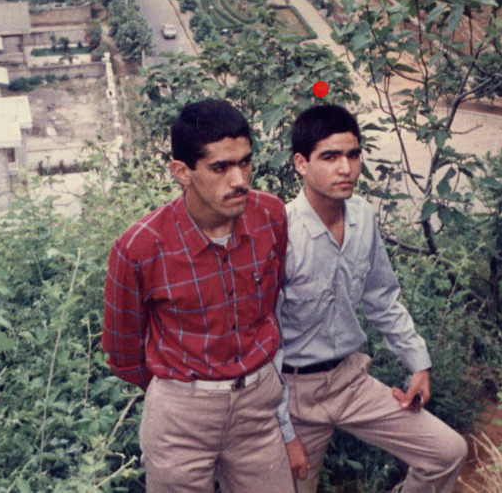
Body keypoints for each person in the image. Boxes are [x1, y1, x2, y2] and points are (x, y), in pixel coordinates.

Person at [103, 99, 294, 493]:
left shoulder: (270, 215)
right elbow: (123, 352)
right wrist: (182, 392)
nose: (239, 180)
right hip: (181, 417)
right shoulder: (140, 247)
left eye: (245, 162)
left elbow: (268, 304)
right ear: (182, 172)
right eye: (220, 167)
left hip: (258, 407)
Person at [277, 104, 468, 493]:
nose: (345, 168)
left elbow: (381, 297)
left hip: (350, 380)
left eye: (353, 155)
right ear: (301, 163)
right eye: (330, 157)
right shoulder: (281, 232)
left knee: (447, 452)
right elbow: (265, 342)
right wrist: (284, 431)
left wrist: (418, 362)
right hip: (295, 394)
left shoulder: (362, 216)